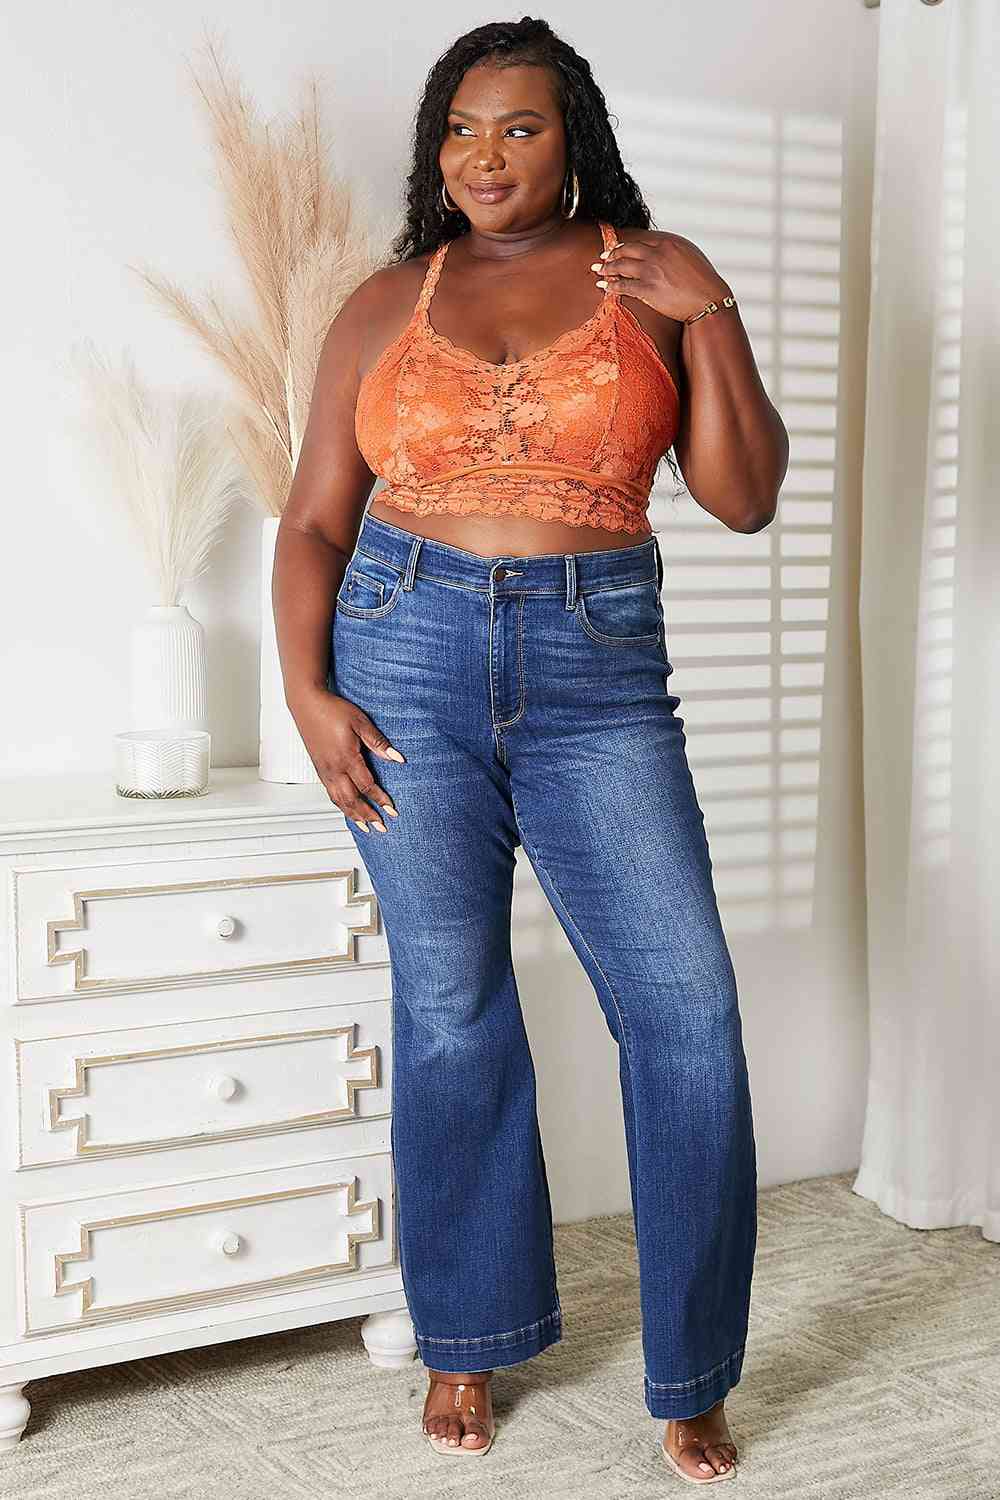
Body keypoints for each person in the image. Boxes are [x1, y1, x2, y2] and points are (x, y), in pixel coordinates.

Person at [273, 16, 787, 1484]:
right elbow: (314, 520)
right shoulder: (389, 300)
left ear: (576, 141)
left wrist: (714, 310)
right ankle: (469, 1336)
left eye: (519, 127)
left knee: (685, 1013)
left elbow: (742, 496)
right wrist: (307, 693)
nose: (484, 156)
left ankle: (692, 1369)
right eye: (461, 128)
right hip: (400, 649)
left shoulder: (653, 277)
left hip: (596, 668)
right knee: (451, 1006)